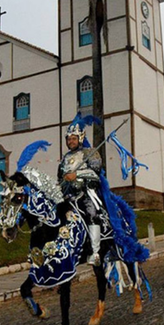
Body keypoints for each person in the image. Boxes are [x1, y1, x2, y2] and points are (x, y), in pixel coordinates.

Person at [58, 113, 108, 266]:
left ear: (80, 138)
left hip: (86, 192)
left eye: (73, 138)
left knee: (92, 214)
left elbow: (96, 172)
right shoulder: (65, 158)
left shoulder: (90, 153)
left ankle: (95, 252)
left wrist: (77, 174)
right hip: (68, 195)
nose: (70, 141)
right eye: (68, 138)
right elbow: (60, 177)